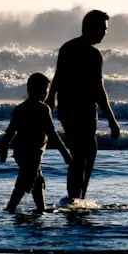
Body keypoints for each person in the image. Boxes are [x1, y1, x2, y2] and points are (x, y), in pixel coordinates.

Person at [46, 10, 121, 201]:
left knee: (88, 151)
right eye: (103, 29)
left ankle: (78, 197)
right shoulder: (90, 54)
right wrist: (112, 121)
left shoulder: (68, 48)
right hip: (74, 110)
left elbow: (58, 77)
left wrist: (51, 99)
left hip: (80, 109)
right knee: (80, 154)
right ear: (91, 27)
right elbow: (98, 89)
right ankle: (75, 198)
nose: (105, 33)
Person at [0, 72, 72, 213]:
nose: (46, 94)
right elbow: (52, 134)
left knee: (37, 181)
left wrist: (3, 149)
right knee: (25, 181)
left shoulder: (20, 108)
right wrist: (65, 153)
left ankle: (41, 208)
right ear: (38, 91)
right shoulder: (43, 109)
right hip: (33, 152)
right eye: (45, 91)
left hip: (20, 151)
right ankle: (11, 207)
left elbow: (10, 132)